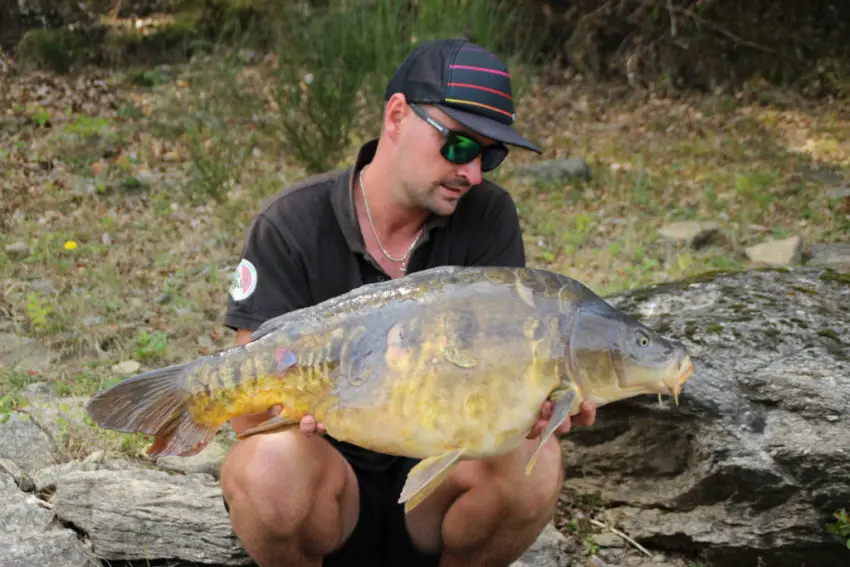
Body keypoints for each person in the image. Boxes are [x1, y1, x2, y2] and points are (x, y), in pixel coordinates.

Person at [219, 37, 597, 567]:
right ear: (397, 115)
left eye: (490, 155)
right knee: (266, 469)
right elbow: (247, 418)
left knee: (535, 462)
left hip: (437, 488)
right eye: (459, 146)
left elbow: (508, 365)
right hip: (329, 483)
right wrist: (293, 416)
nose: (472, 173)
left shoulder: (487, 217)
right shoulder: (290, 225)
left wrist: (536, 406)